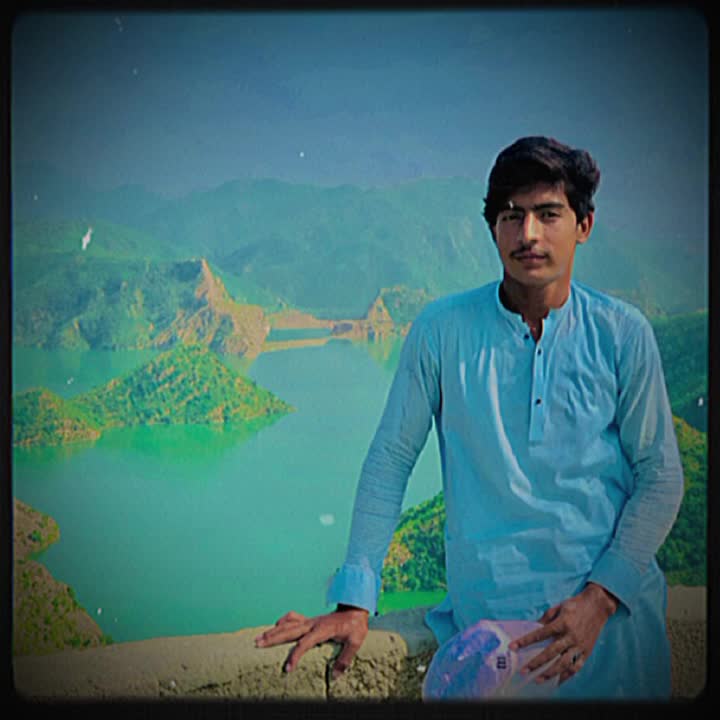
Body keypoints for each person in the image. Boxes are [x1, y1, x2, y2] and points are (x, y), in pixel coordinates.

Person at [254, 136, 684, 700]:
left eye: (548, 214)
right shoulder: (442, 331)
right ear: (493, 229)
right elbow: (391, 458)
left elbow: (660, 476)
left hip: (612, 639)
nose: (528, 234)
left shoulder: (622, 334)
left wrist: (600, 598)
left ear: (583, 225)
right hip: (488, 644)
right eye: (511, 216)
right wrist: (356, 598)